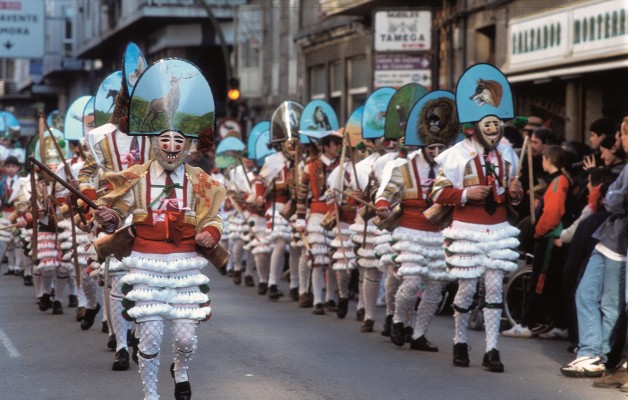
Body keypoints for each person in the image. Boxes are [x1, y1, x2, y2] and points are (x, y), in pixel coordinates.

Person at [93, 58, 226, 400]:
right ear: (155, 140)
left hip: (184, 265)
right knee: (150, 336)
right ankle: (150, 395)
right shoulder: (135, 177)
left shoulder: (202, 182)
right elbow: (119, 210)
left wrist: (210, 232)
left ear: (187, 145)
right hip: (146, 263)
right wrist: (109, 218)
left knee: (185, 339)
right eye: (165, 139)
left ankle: (180, 370)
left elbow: (213, 216)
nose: (170, 146)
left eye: (178, 141)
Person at [431, 64, 523, 372]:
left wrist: (514, 192)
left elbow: (515, 198)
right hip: (467, 228)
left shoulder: (507, 154)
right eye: (489, 128)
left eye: (498, 129)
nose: (494, 134)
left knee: (495, 289)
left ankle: (492, 349)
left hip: (498, 228)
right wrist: (467, 194)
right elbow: (439, 193)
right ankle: (459, 341)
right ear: (475, 127)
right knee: (468, 288)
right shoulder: (455, 155)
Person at [376, 90, 460, 351]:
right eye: (432, 147)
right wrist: (381, 206)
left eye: (440, 148)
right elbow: (388, 192)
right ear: (422, 144)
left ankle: (419, 333)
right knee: (411, 282)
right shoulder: (406, 166)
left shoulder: (453, 166)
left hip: (438, 232)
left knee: (436, 287)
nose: (436, 152)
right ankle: (399, 321)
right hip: (409, 231)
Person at [560, 116, 628, 379]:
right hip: (608, 238)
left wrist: (616, 197)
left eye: (622, 134)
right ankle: (591, 351)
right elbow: (611, 198)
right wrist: (616, 197)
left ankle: (598, 353)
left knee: (610, 303)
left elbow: (614, 198)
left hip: (620, 244)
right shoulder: (624, 169)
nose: (620, 139)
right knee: (586, 294)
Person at [502, 145, 572, 339]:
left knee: (539, 282)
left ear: (549, 159)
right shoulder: (560, 181)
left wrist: (539, 232)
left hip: (549, 238)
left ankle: (526, 324)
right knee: (551, 284)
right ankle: (560, 325)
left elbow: (553, 213)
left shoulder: (559, 182)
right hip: (549, 237)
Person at [296, 130, 342, 315]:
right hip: (316, 214)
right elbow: (301, 195)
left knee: (333, 259)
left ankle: (331, 297)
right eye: (335, 144)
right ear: (326, 146)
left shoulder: (342, 165)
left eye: (339, 144)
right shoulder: (310, 166)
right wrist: (300, 219)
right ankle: (318, 300)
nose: (338, 147)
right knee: (318, 258)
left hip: (336, 214)